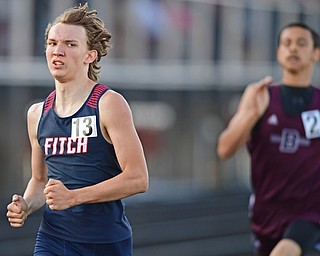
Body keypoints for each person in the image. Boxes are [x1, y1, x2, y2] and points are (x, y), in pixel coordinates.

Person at [6, 3, 149, 256]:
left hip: (104, 242)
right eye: (52, 43)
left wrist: (73, 197)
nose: (57, 51)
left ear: (90, 55)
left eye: (70, 44)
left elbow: (138, 178)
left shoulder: (108, 104)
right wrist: (26, 205)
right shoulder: (37, 113)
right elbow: (40, 180)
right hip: (53, 239)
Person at [217, 22, 320, 256]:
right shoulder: (260, 96)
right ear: (279, 53)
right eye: (287, 43)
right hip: (267, 212)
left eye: (301, 43)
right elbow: (224, 149)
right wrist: (252, 114)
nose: (293, 48)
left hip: (309, 211)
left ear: (316, 53)